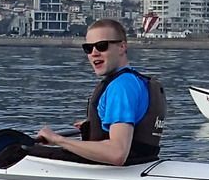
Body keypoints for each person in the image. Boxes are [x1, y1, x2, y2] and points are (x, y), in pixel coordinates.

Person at [34, 19, 167, 165]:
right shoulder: (134, 82)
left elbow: (117, 153)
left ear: (122, 47)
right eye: (88, 48)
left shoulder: (121, 87)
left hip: (120, 169)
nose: (94, 53)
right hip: (141, 162)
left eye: (102, 46)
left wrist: (58, 140)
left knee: (14, 152)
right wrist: (96, 123)